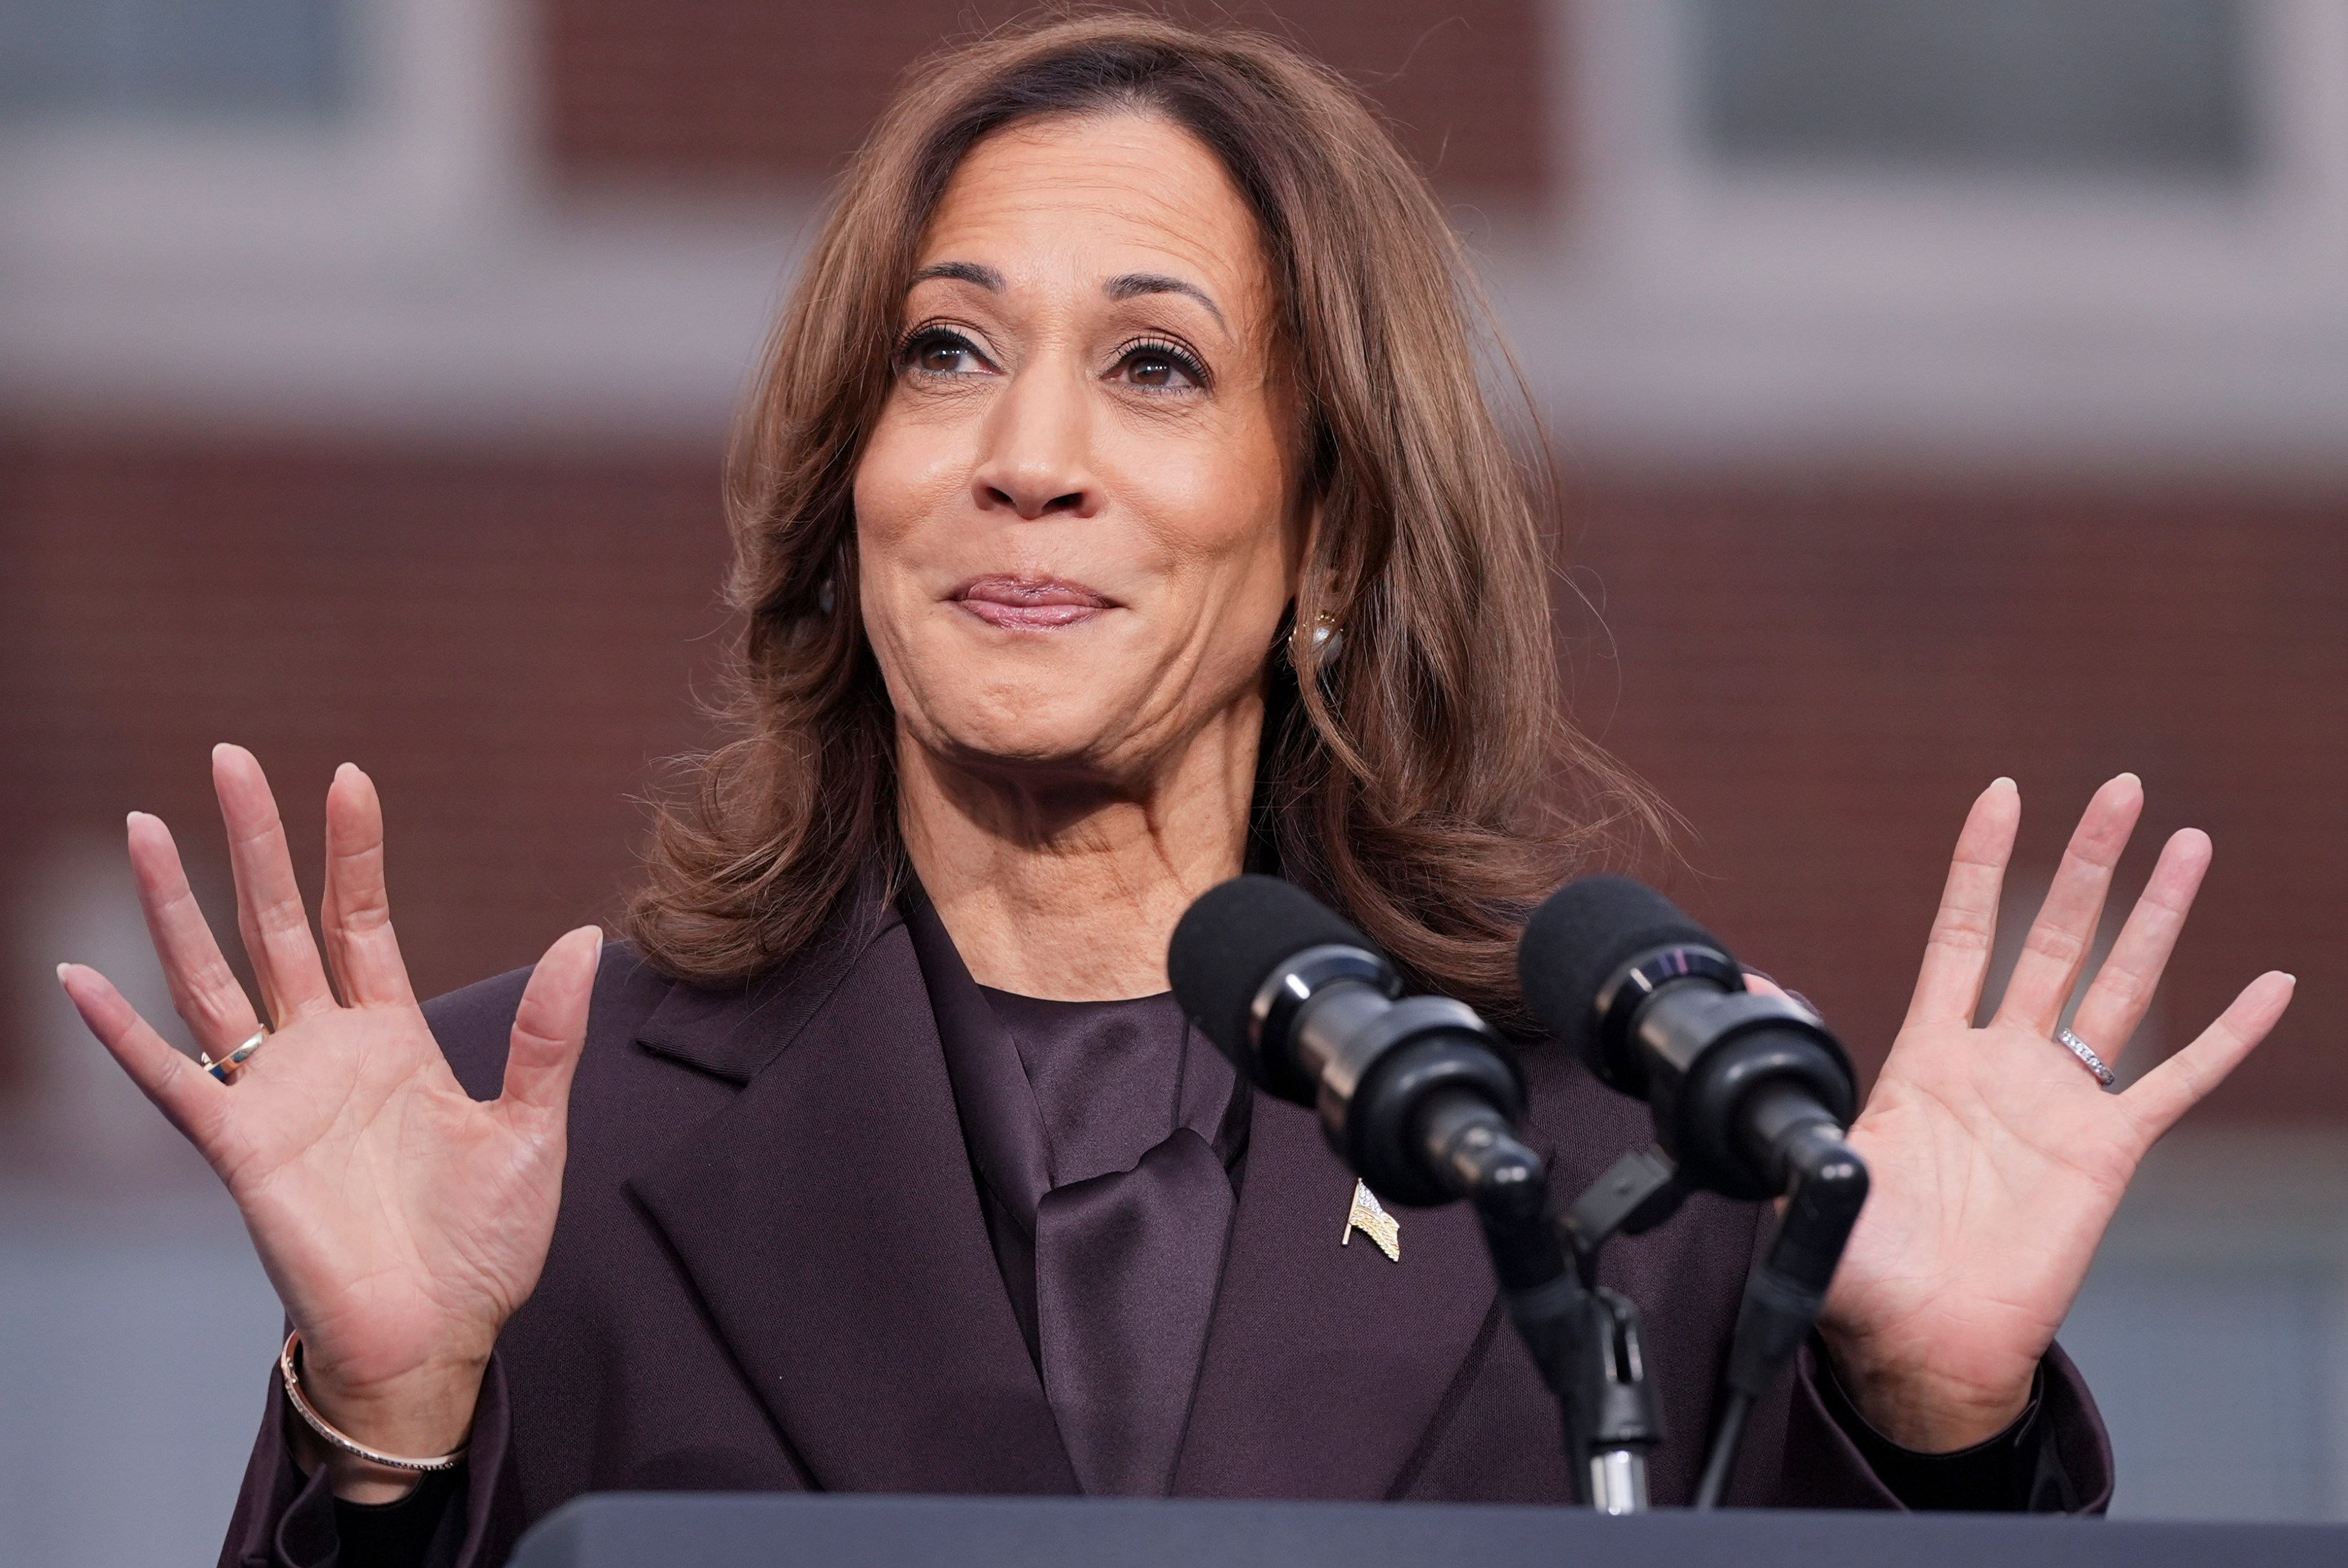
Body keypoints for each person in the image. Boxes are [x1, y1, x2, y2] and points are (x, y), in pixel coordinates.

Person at [56, 16, 2294, 1567]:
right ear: (849, 492)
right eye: (944, 353)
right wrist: (381, 1435)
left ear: (1327, 533)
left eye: (1154, 365)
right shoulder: (512, 1147)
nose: (1025, 456)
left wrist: (1939, 1424)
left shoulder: (1628, 1160)